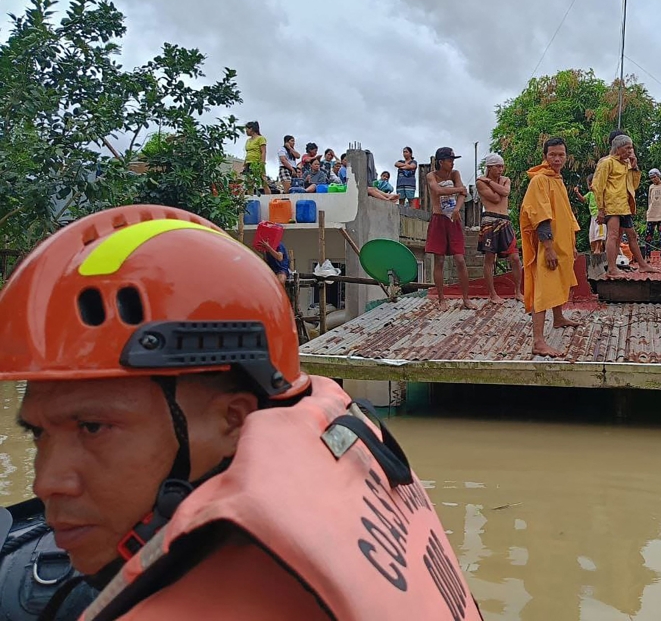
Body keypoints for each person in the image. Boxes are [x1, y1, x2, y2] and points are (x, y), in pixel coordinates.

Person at [0, 204, 482, 620]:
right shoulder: (344, 457)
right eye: (39, 435)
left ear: (235, 420)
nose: (46, 483)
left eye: (92, 427)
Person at [520, 138, 582, 357]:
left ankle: (558, 318)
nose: (557, 159)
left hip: (562, 242)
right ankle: (538, 341)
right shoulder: (540, 180)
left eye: (561, 155)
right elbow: (541, 216)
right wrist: (548, 247)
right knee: (544, 290)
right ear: (545, 156)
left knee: (559, 281)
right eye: (552, 154)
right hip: (549, 244)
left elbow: (565, 213)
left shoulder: (557, 179)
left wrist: (571, 243)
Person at [592, 134, 655, 276]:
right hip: (611, 205)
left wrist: (634, 167)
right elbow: (598, 186)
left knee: (631, 235)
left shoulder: (626, 163)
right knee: (613, 236)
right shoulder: (606, 162)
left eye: (631, 148)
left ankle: (643, 265)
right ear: (618, 148)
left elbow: (633, 185)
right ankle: (612, 268)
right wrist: (601, 210)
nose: (630, 151)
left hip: (624, 205)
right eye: (627, 148)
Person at [426, 147, 474, 309]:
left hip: (453, 218)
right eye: (449, 160)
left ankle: (466, 299)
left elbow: (463, 193)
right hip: (438, 218)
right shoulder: (431, 175)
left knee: (460, 259)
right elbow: (438, 190)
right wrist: (459, 189)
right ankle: (441, 299)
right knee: (439, 260)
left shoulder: (455, 174)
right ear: (441, 162)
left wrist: (456, 208)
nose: (452, 163)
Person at [475, 153, 523, 304]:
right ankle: (492, 293)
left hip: (505, 220)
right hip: (490, 219)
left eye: (502, 166)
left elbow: (506, 192)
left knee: (514, 257)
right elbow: (495, 198)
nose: (501, 169)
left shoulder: (503, 180)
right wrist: (495, 186)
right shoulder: (479, 182)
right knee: (489, 258)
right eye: (497, 166)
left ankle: (518, 291)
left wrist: (489, 181)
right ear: (489, 167)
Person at [573, 174, 605, 255]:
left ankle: (598, 248)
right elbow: (583, 200)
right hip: (593, 216)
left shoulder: (601, 192)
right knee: (593, 232)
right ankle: (595, 248)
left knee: (599, 232)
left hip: (600, 215)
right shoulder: (590, 194)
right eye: (589, 184)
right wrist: (577, 192)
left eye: (592, 183)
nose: (591, 185)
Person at [644, 169, 661, 261]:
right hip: (652, 214)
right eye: (651, 178)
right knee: (648, 236)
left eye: (654, 177)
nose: (653, 179)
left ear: (659, 176)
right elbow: (649, 200)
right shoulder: (651, 187)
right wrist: (648, 211)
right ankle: (647, 256)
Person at [242, 121, 269, 194]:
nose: (246, 131)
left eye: (247, 129)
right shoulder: (248, 141)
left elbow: (263, 151)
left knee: (263, 182)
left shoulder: (260, 138)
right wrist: (244, 164)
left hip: (257, 162)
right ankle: (250, 199)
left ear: (252, 129)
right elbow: (248, 153)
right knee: (249, 184)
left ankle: (270, 199)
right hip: (248, 162)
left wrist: (262, 163)